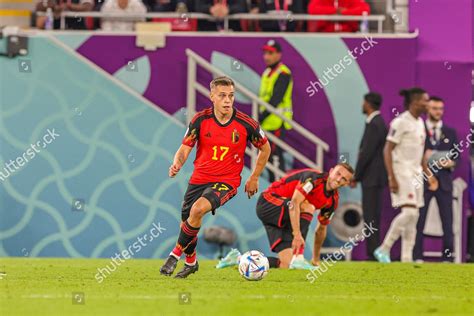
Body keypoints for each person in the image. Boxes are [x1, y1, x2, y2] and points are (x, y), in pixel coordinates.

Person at [159, 76, 271, 278]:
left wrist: (254, 177)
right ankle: (191, 262)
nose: (228, 100)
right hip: (199, 178)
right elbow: (184, 148)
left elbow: (266, 148)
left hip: (227, 181)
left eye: (231, 96)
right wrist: (177, 163)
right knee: (187, 222)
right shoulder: (200, 120)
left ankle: (174, 255)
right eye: (222, 96)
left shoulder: (246, 124)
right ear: (212, 97)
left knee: (198, 209)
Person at [216, 163, 355, 270]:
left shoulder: (333, 201)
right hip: (268, 203)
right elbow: (294, 203)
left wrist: (316, 258)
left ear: (347, 183)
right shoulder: (313, 179)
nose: (338, 179)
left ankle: (237, 258)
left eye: (343, 179)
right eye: (338, 174)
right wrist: (296, 234)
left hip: (286, 217)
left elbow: (321, 230)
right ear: (331, 171)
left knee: (286, 263)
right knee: (308, 206)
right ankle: (299, 256)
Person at [374, 88, 438, 263]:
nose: (428, 104)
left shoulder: (419, 123)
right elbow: (387, 150)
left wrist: (429, 175)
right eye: (426, 101)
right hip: (401, 172)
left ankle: (406, 258)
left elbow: (420, 154)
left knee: (414, 216)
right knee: (409, 213)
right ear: (415, 102)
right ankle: (384, 248)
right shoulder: (400, 122)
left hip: (416, 175)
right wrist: (391, 177)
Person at [414, 96, 458, 262]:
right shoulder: (419, 129)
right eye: (434, 108)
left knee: (448, 222)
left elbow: (456, 157)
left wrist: (447, 161)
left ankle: (448, 257)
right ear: (427, 109)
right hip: (424, 182)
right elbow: (416, 155)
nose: (438, 112)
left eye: (440, 109)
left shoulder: (451, 132)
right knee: (419, 221)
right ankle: (416, 256)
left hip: (445, 183)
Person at [351, 92, 388, 260]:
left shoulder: (375, 123)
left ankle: (373, 254)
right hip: (374, 178)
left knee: (371, 217)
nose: (361, 105)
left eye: (363, 102)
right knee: (372, 216)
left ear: (368, 104)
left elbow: (366, 153)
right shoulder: (377, 122)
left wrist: (356, 176)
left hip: (372, 178)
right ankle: (374, 252)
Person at [259, 40, 293, 182]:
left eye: (271, 53)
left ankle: (280, 191)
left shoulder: (283, 72)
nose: (266, 56)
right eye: (265, 53)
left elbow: (276, 99)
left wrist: (261, 117)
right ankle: (274, 189)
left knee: (276, 159)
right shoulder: (267, 72)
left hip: (277, 122)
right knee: (269, 158)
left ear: (279, 55)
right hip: (267, 123)